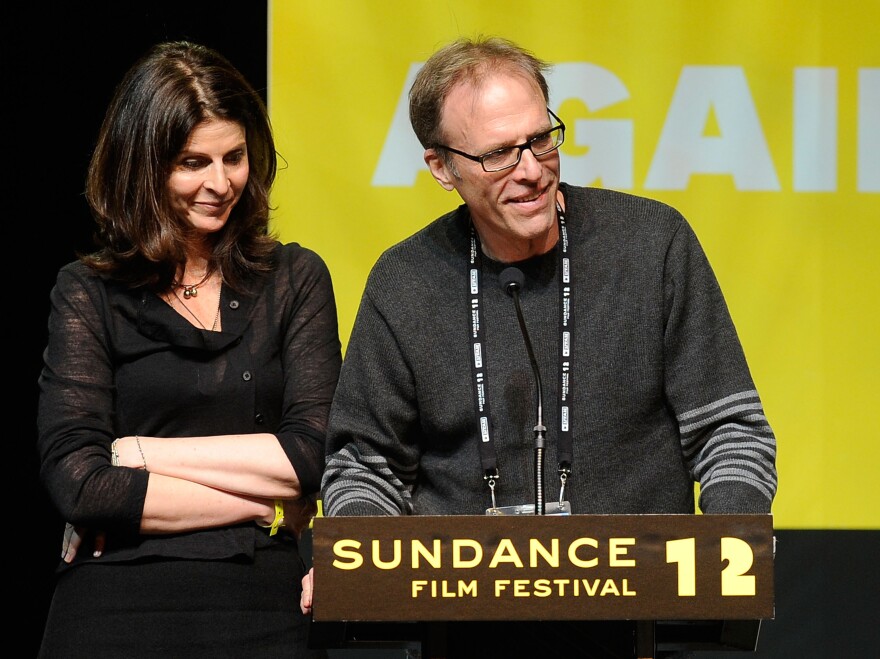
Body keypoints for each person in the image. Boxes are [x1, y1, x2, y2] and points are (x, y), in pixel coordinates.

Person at [303, 36, 777, 657]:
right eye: (499, 153)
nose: (530, 169)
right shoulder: (404, 281)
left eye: (541, 139)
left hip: (638, 623)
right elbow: (365, 464)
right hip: (460, 629)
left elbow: (731, 431)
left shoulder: (653, 244)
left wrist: (725, 542)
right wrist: (361, 561)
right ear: (442, 168)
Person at [37, 41, 341, 658]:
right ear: (142, 167)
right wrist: (264, 508)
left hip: (261, 602)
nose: (220, 183)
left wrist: (138, 453)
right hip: (113, 601)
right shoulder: (87, 290)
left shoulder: (295, 277)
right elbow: (80, 484)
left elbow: (312, 454)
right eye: (191, 162)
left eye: (234, 158)